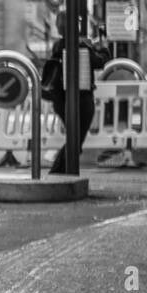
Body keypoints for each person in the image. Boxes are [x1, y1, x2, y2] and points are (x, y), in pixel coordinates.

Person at [46, 11, 110, 174]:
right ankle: (57, 173)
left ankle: (61, 172)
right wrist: (104, 48)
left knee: (74, 139)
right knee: (75, 141)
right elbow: (99, 62)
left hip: (60, 100)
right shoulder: (81, 46)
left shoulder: (58, 46)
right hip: (81, 100)